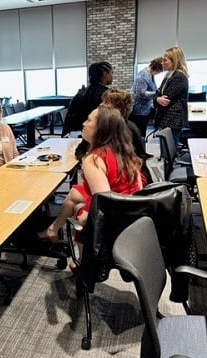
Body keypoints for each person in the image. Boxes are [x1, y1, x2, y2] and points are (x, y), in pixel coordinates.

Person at [37, 105, 143, 267]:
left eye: (89, 120)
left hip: (117, 216)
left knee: (81, 212)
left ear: (101, 129)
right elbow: (138, 187)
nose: (83, 124)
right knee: (74, 192)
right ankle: (53, 229)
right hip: (135, 211)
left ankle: (83, 264)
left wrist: (87, 213)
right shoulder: (124, 150)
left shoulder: (93, 159)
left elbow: (105, 200)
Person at [101, 87, 153, 185]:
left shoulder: (128, 129)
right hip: (116, 173)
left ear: (118, 108)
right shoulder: (102, 126)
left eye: (106, 103)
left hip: (130, 175)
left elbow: (133, 161)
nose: (101, 106)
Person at [64, 61, 114, 160]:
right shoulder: (107, 95)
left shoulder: (81, 92)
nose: (112, 76)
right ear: (105, 74)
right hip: (98, 137)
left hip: (77, 134)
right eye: (112, 73)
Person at [154, 47, 189, 149]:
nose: (162, 63)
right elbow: (158, 94)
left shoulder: (179, 76)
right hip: (166, 118)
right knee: (165, 150)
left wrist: (157, 98)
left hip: (173, 120)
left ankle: (170, 166)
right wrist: (157, 99)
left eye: (165, 60)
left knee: (169, 151)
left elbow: (166, 98)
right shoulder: (168, 75)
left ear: (175, 61)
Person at [129, 57, 163, 137]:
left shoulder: (150, 75)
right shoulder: (143, 76)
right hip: (138, 111)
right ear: (157, 68)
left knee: (142, 133)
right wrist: (155, 93)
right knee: (139, 135)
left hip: (144, 110)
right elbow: (141, 93)